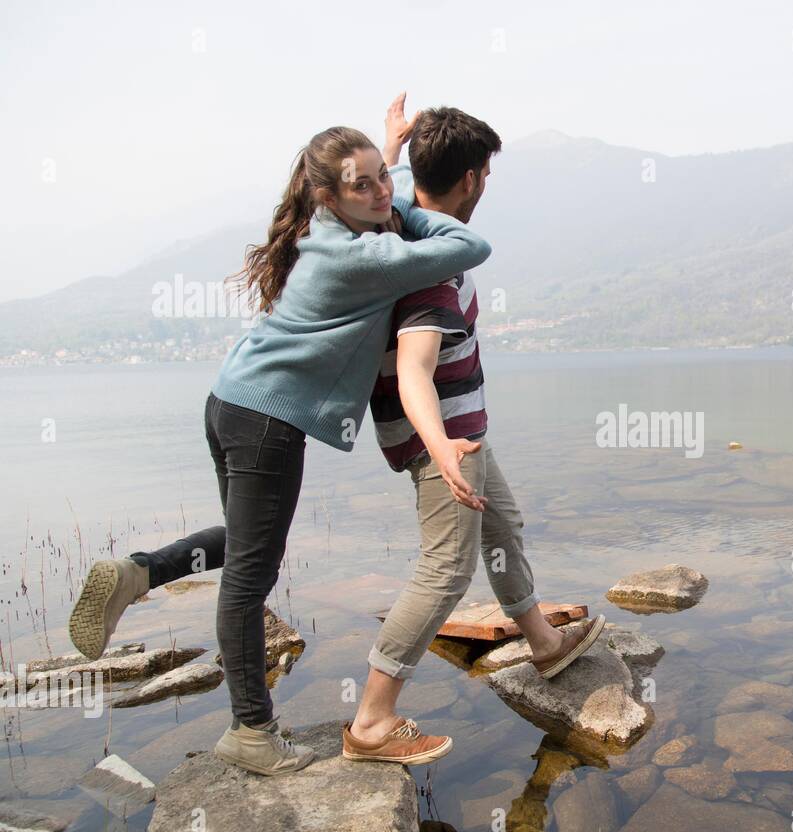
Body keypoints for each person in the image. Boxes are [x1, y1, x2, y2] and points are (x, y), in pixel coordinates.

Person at [68, 117, 491, 776]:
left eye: (386, 177)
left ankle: (140, 573)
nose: (384, 191)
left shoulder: (324, 231)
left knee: (243, 544)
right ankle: (251, 732)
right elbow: (470, 245)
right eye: (367, 185)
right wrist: (403, 198)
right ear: (330, 195)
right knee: (249, 580)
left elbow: (369, 199)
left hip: (229, 402)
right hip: (266, 421)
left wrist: (385, 159)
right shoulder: (367, 255)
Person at [340, 101, 605, 764]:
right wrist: (442, 454)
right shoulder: (431, 259)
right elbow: (415, 369)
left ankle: (542, 642)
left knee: (504, 524)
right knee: (446, 569)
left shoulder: (401, 225)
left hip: (459, 432)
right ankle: (371, 720)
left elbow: (375, 198)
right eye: (485, 172)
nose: (487, 183)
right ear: (471, 180)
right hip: (444, 440)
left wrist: (391, 146)